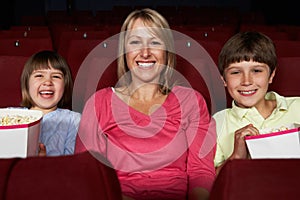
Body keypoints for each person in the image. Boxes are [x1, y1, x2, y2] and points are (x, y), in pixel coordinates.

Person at [75, 8, 216, 200]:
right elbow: (89, 176)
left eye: (155, 42)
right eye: (135, 42)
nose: (145, 52)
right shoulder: (99, 103)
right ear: (124, 51)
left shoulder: (191, 101)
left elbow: (201, 172)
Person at [213, 31, 300, 174]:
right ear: (223, 79)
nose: (247, 81)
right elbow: (206, 184)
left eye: (257, 71)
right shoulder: (217, 122)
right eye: (236, 72)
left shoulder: (297, 107)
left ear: (271, 75)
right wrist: (236, 157)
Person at [20, 50, 81, 156]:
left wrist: (46, 162)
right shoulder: (12, 117)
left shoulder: (74, 121)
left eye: (56, 76)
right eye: (39, 76)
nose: (47, 82)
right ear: (27, 84)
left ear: (65, 85)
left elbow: (73, 164)